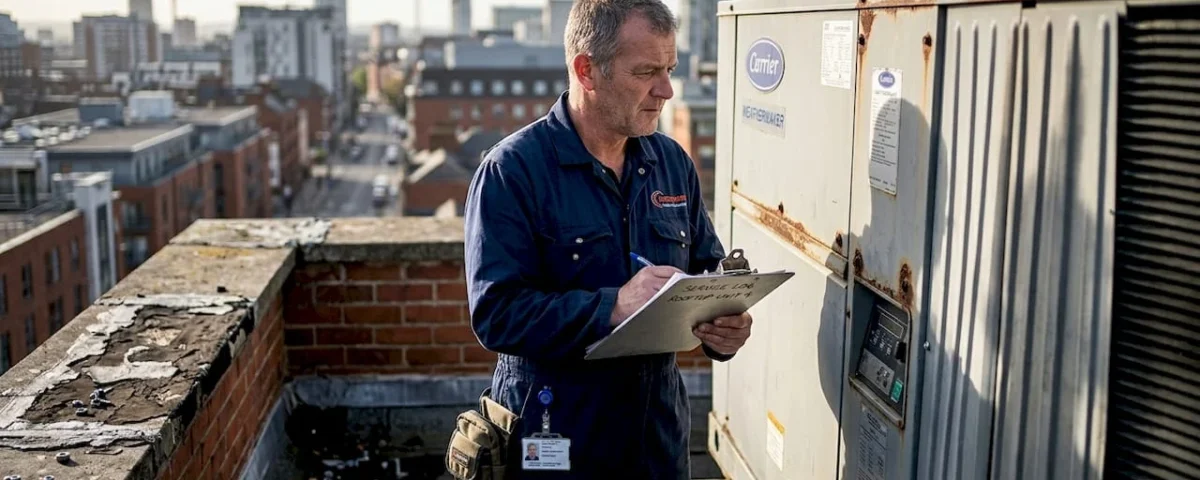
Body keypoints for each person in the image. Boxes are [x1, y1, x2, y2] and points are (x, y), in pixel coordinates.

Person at [463, 0, 753, 478]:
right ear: (586, 70)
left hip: (655, 439)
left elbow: (707, 270)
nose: (666, 90)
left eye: (670, 69)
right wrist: (613, 306)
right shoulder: (512, 171)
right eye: (646, 72)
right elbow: (496, 315)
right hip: (554, 436)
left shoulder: (672, 163)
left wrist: (724, 328)